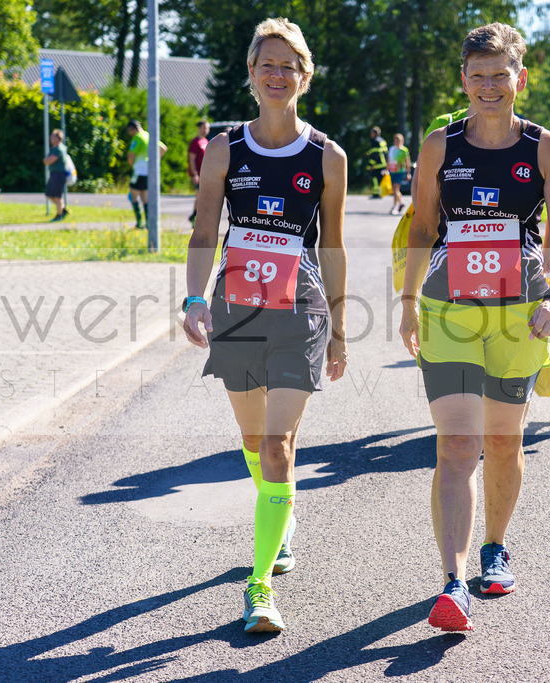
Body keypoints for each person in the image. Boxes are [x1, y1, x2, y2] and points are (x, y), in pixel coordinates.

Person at [399, 21, 550, 632]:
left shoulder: (544, 147)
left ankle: (494, 548)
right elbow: (423, 229)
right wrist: (405, 301)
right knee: (456, 443)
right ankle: (451, 582)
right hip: (448, 307)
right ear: (464, 80)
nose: (490, 86)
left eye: (501, 75)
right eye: (478, 76)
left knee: (503, 441)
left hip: (521, 312)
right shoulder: (439, 145)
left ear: (519, 78)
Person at [182, 17, 348, 634]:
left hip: (301, 307)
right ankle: (281, 516)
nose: (278, 75)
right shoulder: (226, 149)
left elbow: (331, 244)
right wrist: (194, 299)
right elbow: (205, 232)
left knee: (278, 447)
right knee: (256, 445)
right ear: (251, 74)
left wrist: (338, 328)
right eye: (267, 65)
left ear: (304, 76)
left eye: (290, 66)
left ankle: (259, 589)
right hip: (236, 307)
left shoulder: (327, 157)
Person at [126, 119, 168, 229]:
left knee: (134, 196)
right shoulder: (149, 135)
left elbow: (131, 156)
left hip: (138, 171)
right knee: (145, 197)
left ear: (132, 129)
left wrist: (131, 165)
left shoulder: (137, 138)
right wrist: (154, 160)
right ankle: (149, 223)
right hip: (149, 172)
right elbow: (163, 148)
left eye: (130, 131)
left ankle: (139, 223)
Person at [43, 129, 70, 221]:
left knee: (57, 196)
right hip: (54, 174)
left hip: (58, 175)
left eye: (53, 136)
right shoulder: (54, 148)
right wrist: (46, 160)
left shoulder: (59, 149)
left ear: (58, 138)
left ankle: (59, 215)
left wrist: (46, 160)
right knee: (49, 194)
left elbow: (49, 160)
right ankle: (62, 209)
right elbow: (47, 160)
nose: (50, 138)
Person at [187, 120, 210, 224]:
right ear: (199, 128)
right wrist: (194, 174)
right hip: (199, 174)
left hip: (206, 174)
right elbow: (191, 159)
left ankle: (195, 216)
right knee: (200, 196)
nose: (206, 130)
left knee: (203, 196)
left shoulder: (206, 141)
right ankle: (195, 216)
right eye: (204, 128)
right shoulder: (195, 142)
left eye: (207, 128)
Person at [386, 133, 411, 215]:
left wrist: (408, 173)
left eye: (398, 140)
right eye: (396, 140)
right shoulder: (391, 149)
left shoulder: (404, 150)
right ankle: (401, 203)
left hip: (400, 171)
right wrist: (386, 169)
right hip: (392, 171)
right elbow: (389, 160)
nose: (397, 141)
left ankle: (394, 206)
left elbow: (407, 162)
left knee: (396, 189)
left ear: (402, 141)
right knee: (394, 189)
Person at [364, 126, 388, 198]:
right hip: (383, 163)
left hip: (377, 165)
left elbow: (375, 154)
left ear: (375, 133)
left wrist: (371, 164)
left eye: (371, 133)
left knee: (375, 179)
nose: (371, 134)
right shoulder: (382, 141)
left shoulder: (375, 141)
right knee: (380, 180)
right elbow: (385, 152)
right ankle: (380, 193)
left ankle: (376, 194)